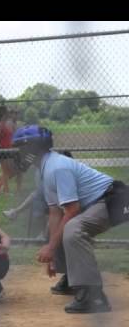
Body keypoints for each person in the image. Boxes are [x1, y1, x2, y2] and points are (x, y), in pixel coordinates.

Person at [12, 125, 115, 313]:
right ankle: (74, 279)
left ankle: (94, 297)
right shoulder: (43, 170)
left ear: (34, 148)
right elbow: (55, 212)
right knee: (56, 230)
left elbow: (72, 210)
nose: (19, 153)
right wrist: (52, 252)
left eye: (21, 147)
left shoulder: (56, 168)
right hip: (97, 202)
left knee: (73, 229)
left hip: (114, 199)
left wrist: (51, 248)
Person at [0, 106, 17, 195]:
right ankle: (6, 191)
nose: (9, 114)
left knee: (11, 171)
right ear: (3, 114)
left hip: (8, 150)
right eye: (7, 112)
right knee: (6, 172)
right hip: (1, 150)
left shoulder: (7, 124)